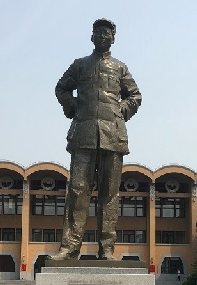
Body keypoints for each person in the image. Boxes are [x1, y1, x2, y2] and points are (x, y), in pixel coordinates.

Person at [49, 18, 142, 261]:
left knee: (109, 194)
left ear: (113, 38)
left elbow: (135, 96)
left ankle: (107, 248)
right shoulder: (79, 66)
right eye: (98, 32)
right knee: (77, 190)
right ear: (91, 37)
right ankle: (69, 248)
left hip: (113, 136)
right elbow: (61, 88)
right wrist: (73, 107)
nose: (102, 36)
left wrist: (122, 110)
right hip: (84, 134)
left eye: (107, 33)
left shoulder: (120, 68)